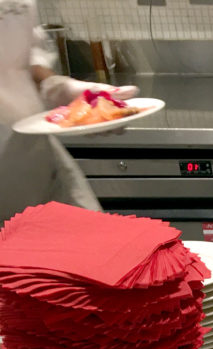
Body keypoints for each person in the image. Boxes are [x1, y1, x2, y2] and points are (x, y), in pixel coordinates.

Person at [0, 0, 138, 223]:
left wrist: (54, 86)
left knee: (99, 247)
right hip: (5, 185)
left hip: (41, 161)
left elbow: (23, 53)